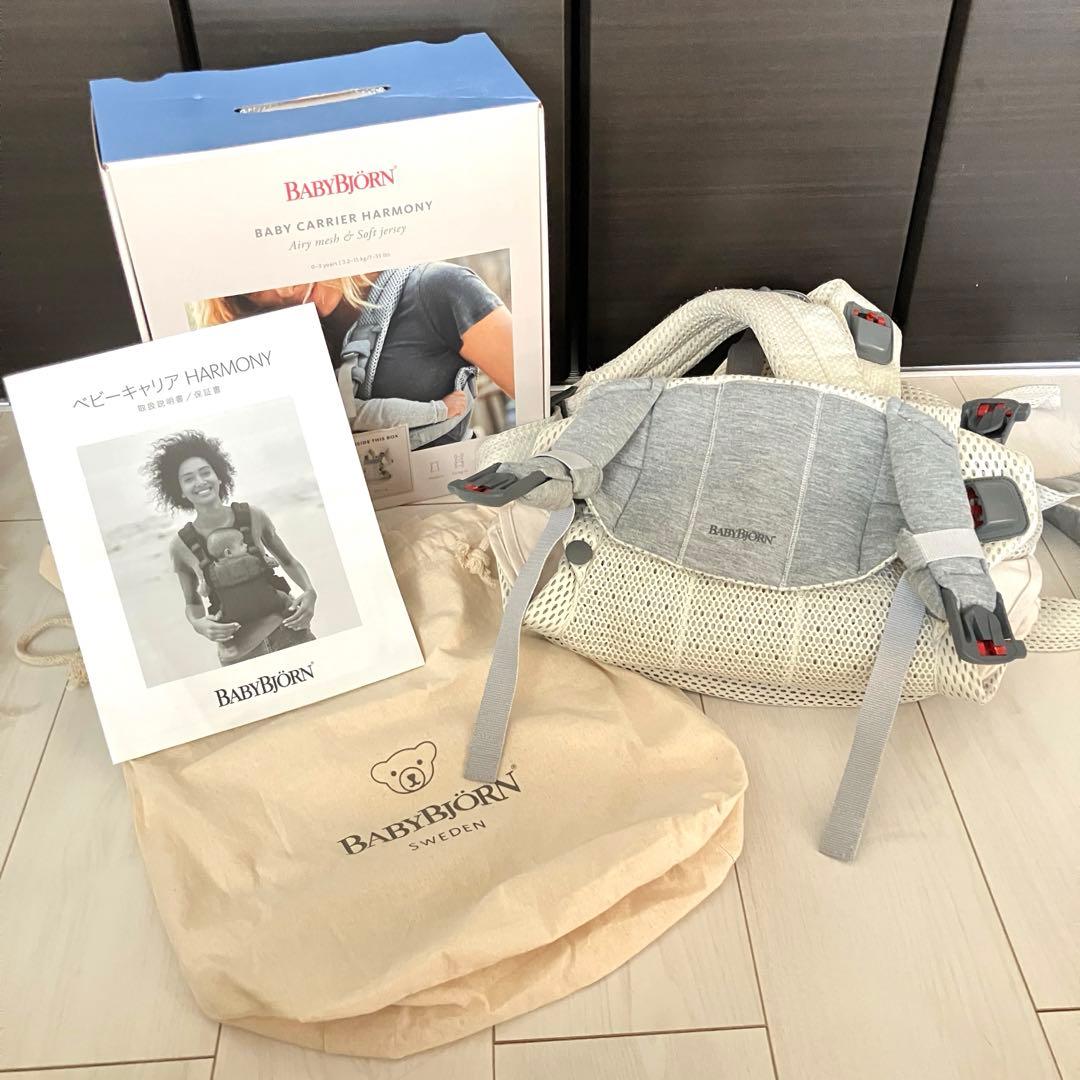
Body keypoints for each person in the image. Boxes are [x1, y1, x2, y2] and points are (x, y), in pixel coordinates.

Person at [190, 264, 514, 446]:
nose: (285, 288)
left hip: (450, 513)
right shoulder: (252, 348)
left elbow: (537, 395)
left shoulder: (436, 288)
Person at [142, 431, 318, 666]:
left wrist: (310, 593)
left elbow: (288, 562)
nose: (200, 481)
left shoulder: (253, 516)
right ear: (179, 490)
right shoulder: (180, 546)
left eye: (205, 472)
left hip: (291, 633)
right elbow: (192, 602)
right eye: (188, 478)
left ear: (219, 476)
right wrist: (199, 625)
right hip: (239, 654)